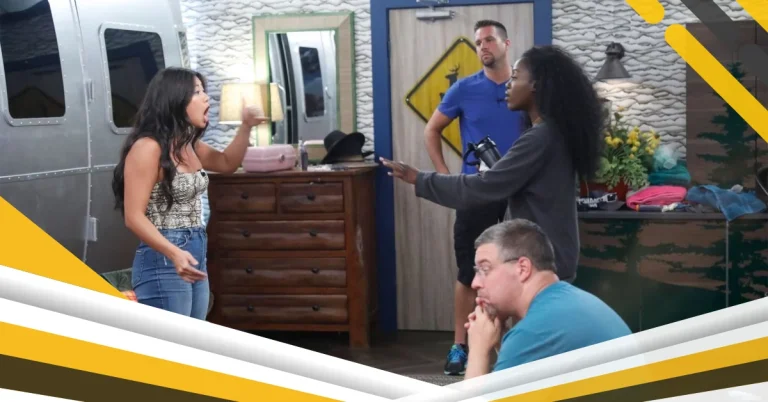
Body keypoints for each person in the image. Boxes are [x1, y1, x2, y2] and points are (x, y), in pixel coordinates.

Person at [380, 44, 604, 290]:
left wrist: (418, 178)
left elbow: (483, 187)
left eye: (515, 77)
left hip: (545, 263)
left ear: (536, 85)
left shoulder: (542, 138)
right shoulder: (552, 132)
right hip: (549, 257)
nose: (508, 85)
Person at [112, 67, 268, 319]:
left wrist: (246, 126)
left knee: (194, 339)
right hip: (164, 260)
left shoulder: (189, 145)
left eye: (204, 91)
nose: (206, 97)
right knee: (172, 343)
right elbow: (133, 217)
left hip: (195, 254)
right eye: (197, 92)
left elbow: (227, 163)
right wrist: (174, 253)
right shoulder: (147, 148)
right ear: (175, 99)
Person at [422, 19, 524, 376]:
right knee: (469, 272)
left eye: (490, 40)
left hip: (519, 193)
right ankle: (459, 346)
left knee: (521, 269)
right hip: (475, 193)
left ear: (506, 44)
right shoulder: (464, 89)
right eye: (479, 42)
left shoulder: (524, 88)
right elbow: (432, 130)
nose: (483, 47)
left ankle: (515, 347)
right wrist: (447, 178)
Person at [463, 219, 632, 378]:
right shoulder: (567, 303)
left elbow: (479, 396)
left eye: (485, 269)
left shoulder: (533, 333)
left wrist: (478, 349)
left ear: (522, 269)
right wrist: (502, 340)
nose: (475, 283)